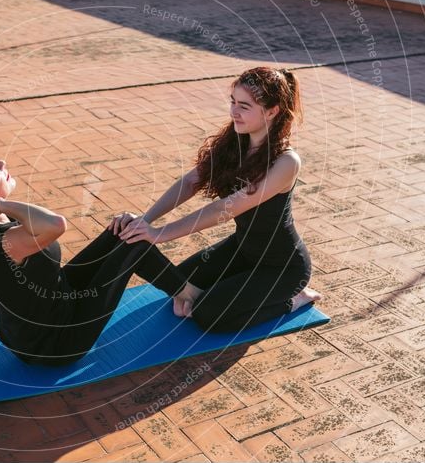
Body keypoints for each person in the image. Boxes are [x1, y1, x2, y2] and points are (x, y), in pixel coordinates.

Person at [0, 139, 199, 367]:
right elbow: (56, 224)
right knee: (136, 241)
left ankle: (179, 291)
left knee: (124, 230)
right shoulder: (6, 241)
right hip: (57, 344)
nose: (0, 161)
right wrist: (3, 205)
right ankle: (188, 295)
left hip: (40, 320)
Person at [111, 66, 322, 333]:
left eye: (244, 106)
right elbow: (190, 182)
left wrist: (159, 234)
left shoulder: (286, 162)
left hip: (281, 267)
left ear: (272, 111)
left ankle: (293, 300)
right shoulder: (234, 144)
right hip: (243, 250)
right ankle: (230, 291)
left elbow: (227, 207)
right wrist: (146, 220)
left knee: (208, 315)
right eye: (233, 102)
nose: (234, 112)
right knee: (177, 285)